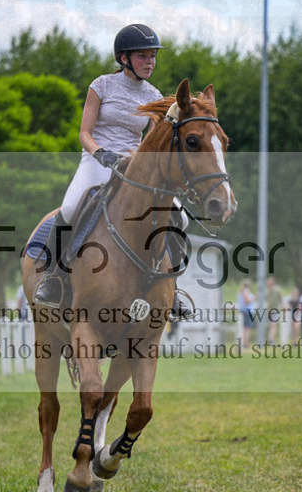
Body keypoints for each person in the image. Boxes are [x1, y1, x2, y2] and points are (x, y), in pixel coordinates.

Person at [33, 24, 191, 318]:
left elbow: (151, 141)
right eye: (143, 56)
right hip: (97, 160)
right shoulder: (102, 85)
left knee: (179, 216)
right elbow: (84, 133)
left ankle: (173, 286)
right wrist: (101, 153)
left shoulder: (154, 95)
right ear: (124, 58)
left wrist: (145, 162)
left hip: (133, 166)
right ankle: (52, 279)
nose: (150, 62)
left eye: (153, 56)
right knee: (70, 208)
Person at [265, 276, 285, 344]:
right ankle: (271, 339)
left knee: (273, 325)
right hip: (268, 311)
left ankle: (271, 340)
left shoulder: (277, 290)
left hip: (275, 311)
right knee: (270, 326)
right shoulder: (266, 290)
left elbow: (281, 299)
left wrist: (284, 306)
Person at [237, 279, 257, 347]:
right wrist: (254, 297)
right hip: (248, 312)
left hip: (243, 311)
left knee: (243, 328)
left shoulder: (240, 291)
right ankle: (246, 343)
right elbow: (247, 301)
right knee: (247, 328)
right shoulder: (246, 291)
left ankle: (242, 342)